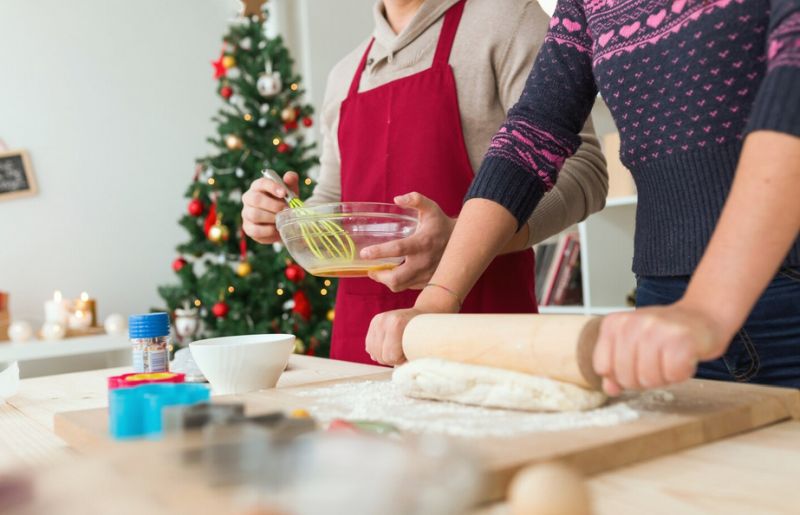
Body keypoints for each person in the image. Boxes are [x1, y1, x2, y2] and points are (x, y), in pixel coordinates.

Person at [366, 0, 800, 390]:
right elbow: (532, 131)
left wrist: (709, 305)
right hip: (662, 303)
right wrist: (438, 300)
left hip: (783, 293)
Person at [242, 0, 608, 364]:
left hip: (481, 335)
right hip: (362, 346)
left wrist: (462, 239)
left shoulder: (509, 20)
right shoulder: (343, 75)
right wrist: (286, 216)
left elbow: (584, 168)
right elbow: (333, 200)